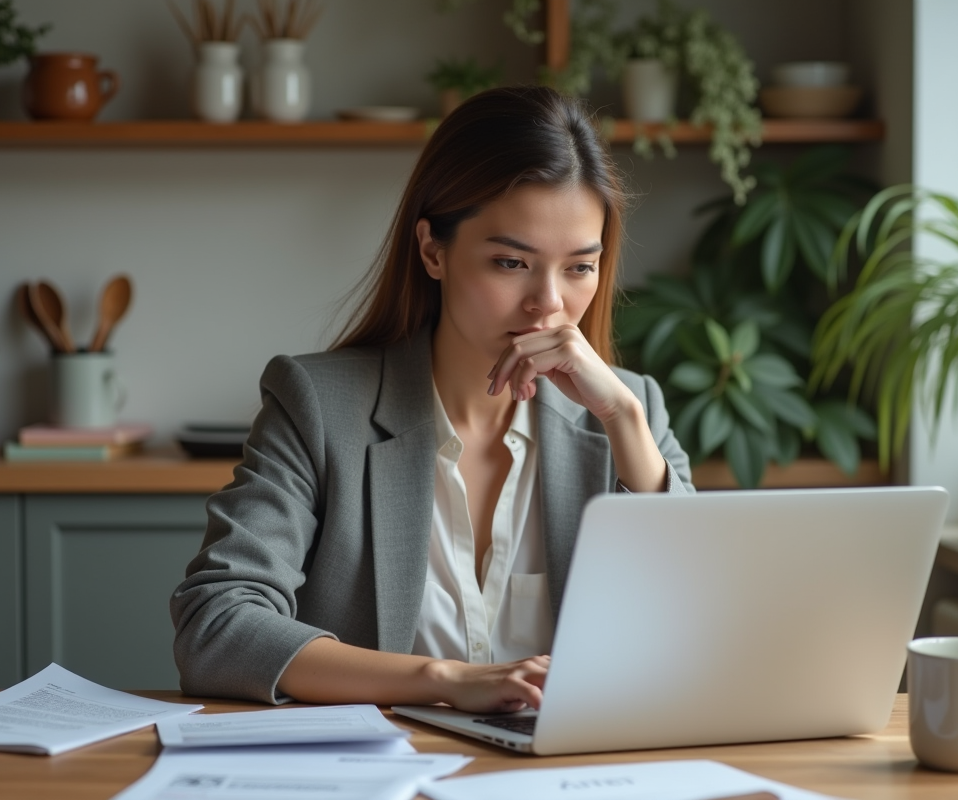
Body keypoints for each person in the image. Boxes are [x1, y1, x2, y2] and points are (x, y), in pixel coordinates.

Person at [170, 85, 693, 714]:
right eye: (510, 263)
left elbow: (705, 630)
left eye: (580, 267)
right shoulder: (317, 404)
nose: (548, 304)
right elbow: (217, 625)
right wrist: (442, 681)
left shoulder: (631, 413)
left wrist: (626, 423)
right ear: (433, 250)